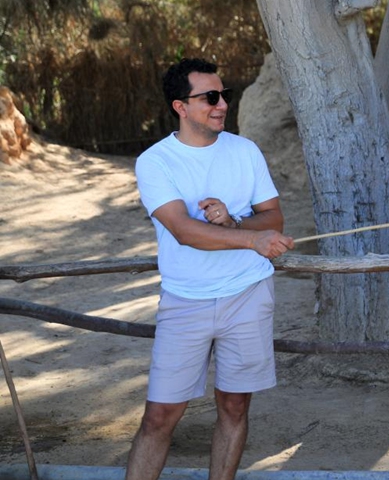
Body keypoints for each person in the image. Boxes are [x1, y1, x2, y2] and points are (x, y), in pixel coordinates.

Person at [126, 57, 294, 480]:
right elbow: (184, 230)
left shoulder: (245, 151)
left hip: (248, 294)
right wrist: (250, 239)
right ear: (180, 107)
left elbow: (273, 219)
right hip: (185, 301)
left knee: (235, 407)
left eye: (225, 95)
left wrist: (236, 223)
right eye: (211, 97)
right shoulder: (155, 161)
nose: (222, 105)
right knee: (160, 416)